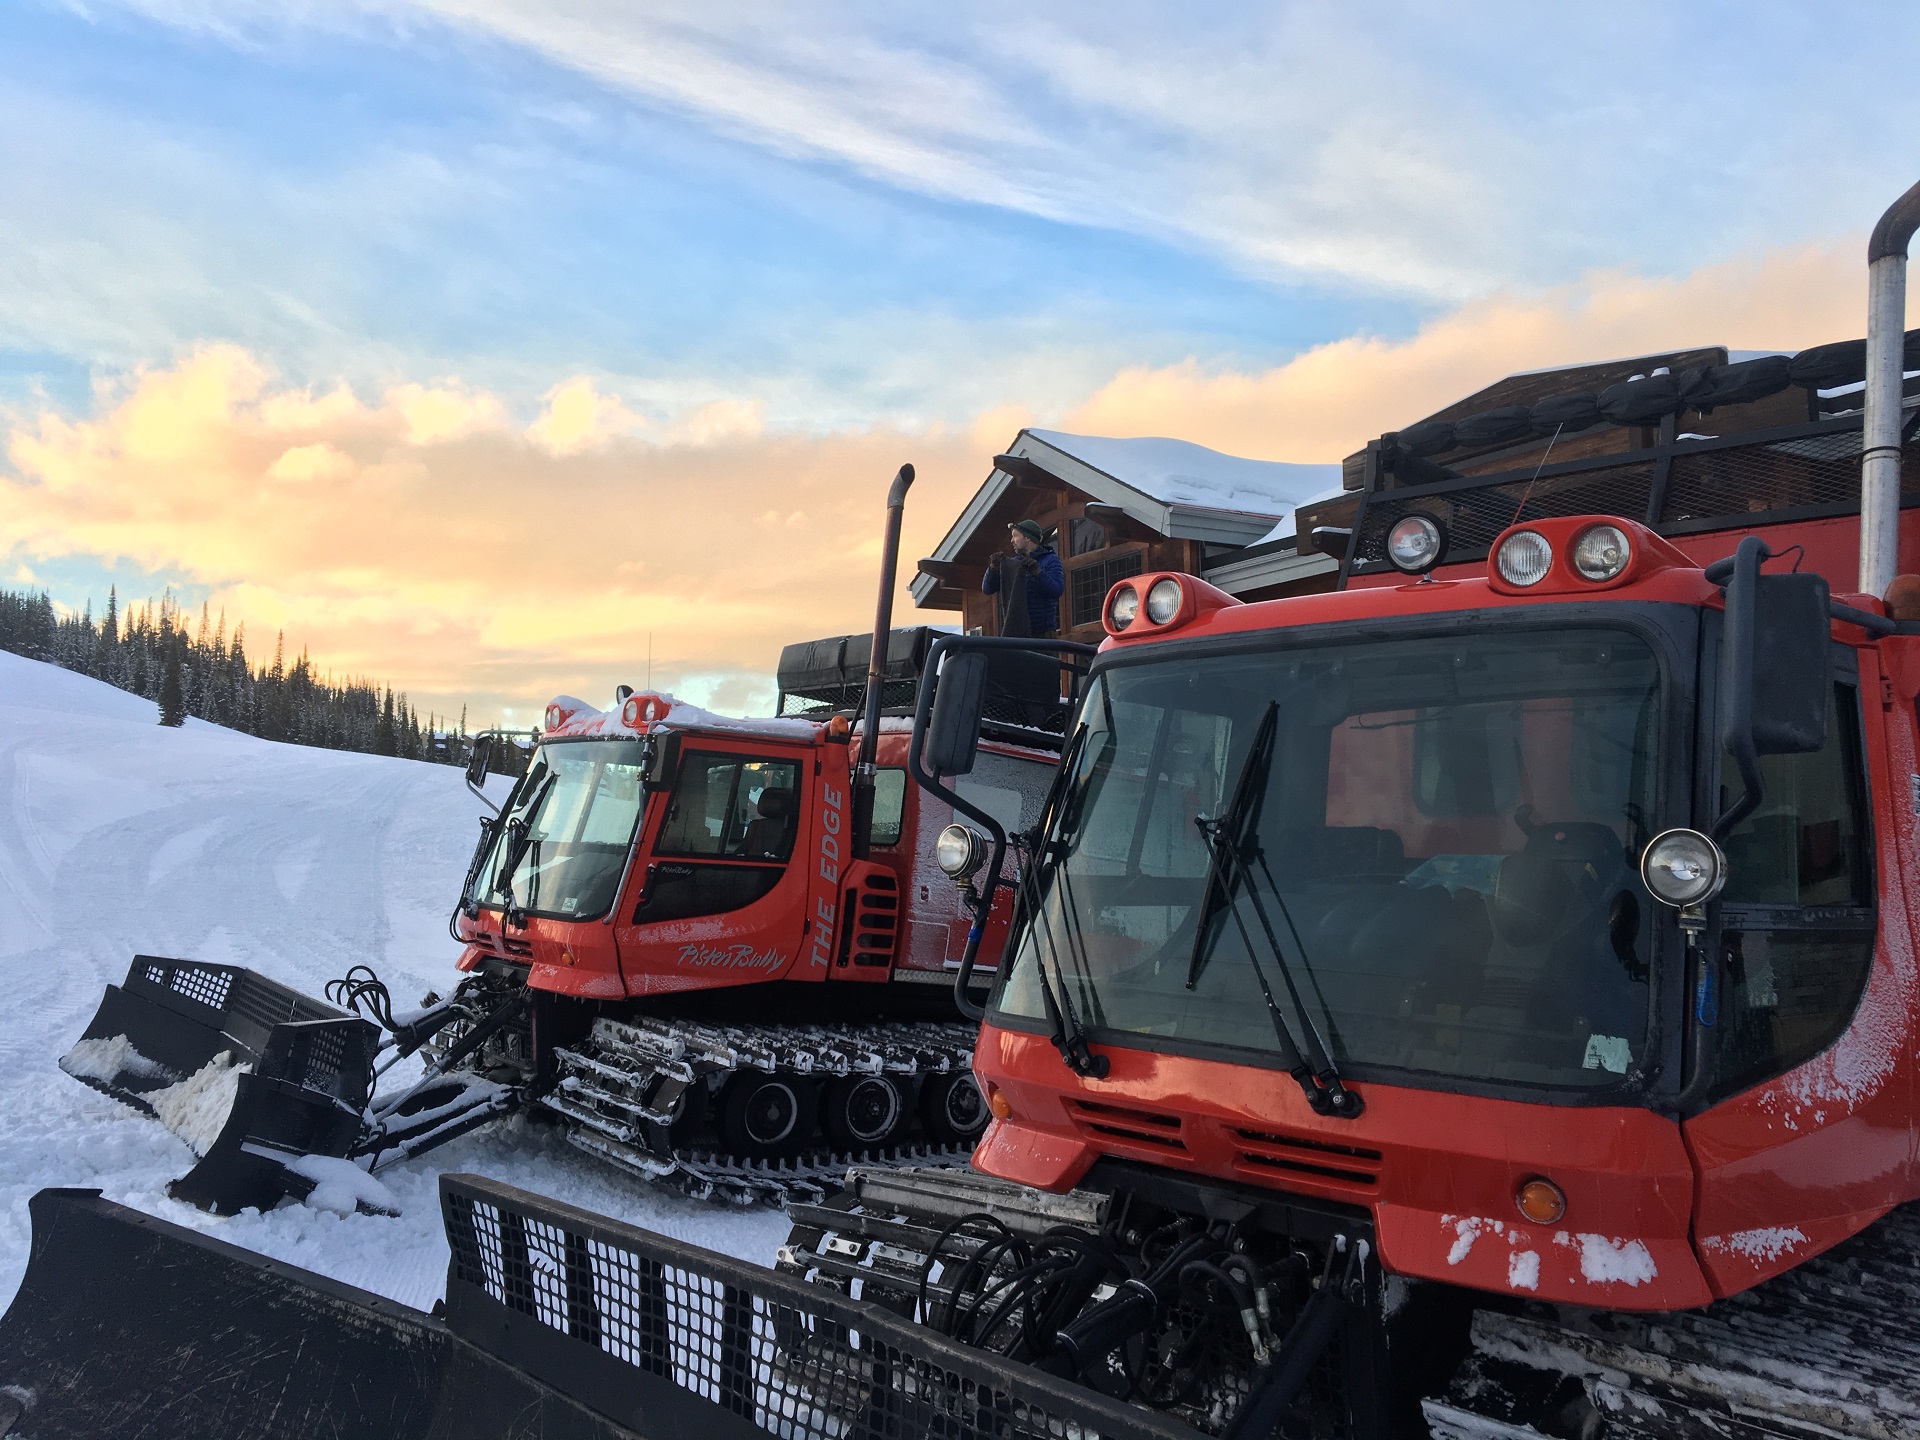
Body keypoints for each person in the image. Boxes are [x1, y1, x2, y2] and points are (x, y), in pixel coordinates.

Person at [983, 519, 1064, 637]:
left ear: (1027, 537)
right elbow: (987, 589)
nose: (1012, 541)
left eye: (1015, 536)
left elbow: (1057, 589)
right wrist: (993, 569)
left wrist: (1037, 572)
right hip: (1017, 634)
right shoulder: (1013, 564)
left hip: (1043, 635)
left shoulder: (1050, 560)